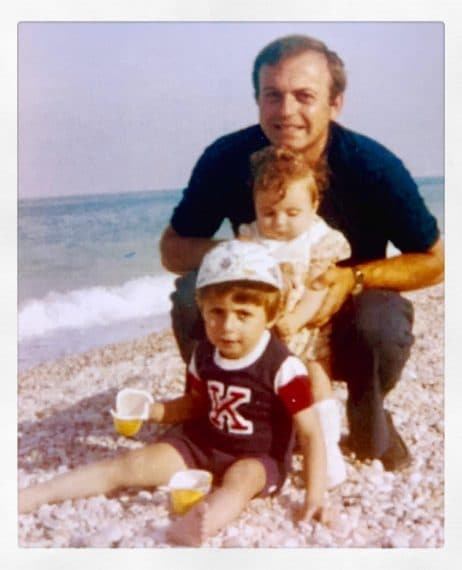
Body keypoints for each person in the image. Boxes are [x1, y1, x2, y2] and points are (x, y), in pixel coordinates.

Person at [160, 34, 444, 471]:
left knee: (382, 320)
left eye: (304, 96)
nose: (286, 111)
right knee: (191, 295)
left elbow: (435, 261)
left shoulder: (373, 166)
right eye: (273, 95)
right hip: (263, 311)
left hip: (345, 309)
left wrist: (354, 278)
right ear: (258, 101)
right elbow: (173, 250)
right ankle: (218, 405)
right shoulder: (227, 159)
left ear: (335, 103)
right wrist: (241, 254)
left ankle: (367, 416)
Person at [19, 240, 328, 546]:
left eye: (243, 314)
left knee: (242, 482)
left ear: (270, 316)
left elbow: (311, 433)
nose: (228, 326)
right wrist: (153, 411)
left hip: (258, 457)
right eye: (216, 312)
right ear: (202, 310)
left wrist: (315, 495)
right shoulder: (203, 355)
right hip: (202, 445)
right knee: (130, 465)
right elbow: (194, 405)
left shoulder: (282, 367)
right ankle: (37, 494)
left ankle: (199, 524)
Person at [239, 145, 351, 487]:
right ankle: (274, 441)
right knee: (267, 382)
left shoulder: (319, 240)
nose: (279, 222)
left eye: (292, 212)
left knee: (315, 379)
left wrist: (296, 319)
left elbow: (318, 287)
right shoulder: (252, 239)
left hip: (306, 328)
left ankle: (326, 446)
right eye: (268, 213)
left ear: (313, 207)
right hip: (264, 329)